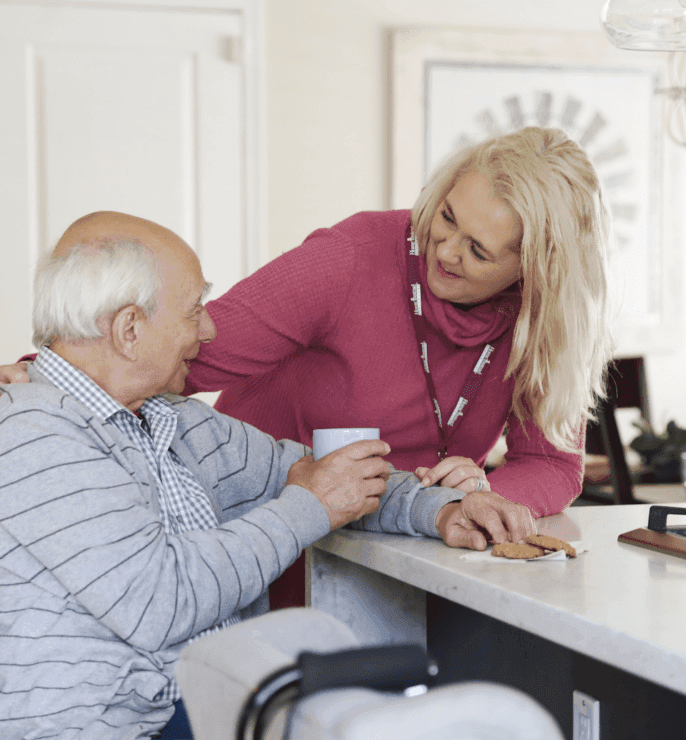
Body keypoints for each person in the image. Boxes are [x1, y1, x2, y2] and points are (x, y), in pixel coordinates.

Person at [0, 212, 533, 740]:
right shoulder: (35, 435)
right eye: (195, 309)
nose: (210, 328)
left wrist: (438, 510)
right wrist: (309, 505)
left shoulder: (173, 423)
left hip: (186, 728)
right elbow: (160, 599)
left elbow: (315, 474)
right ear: (129, 329)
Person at [0, 126, 614, 610]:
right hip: (265, 536)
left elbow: (552, 464)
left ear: (533, 270)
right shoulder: (350, 259)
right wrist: (51, 374)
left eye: (478, 250)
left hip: (409, 534)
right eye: (447, 216)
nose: (444, 250)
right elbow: (184, 348)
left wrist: (476, 499)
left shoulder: (548, 321)